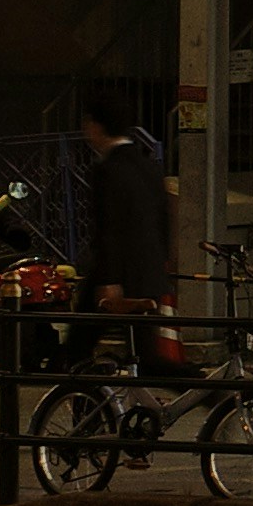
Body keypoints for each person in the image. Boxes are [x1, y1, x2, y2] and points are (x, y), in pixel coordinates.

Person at [75, 88, 179, 359]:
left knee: (78, 348)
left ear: (96, 126)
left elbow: (108, 227)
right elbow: (163, 217)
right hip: (149, 273)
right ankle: (206, 394)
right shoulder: (148, 165)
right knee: (148, 357)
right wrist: (164, 261)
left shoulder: (107, 170)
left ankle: (81, 397)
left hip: (115, 277)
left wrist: (109, 279)